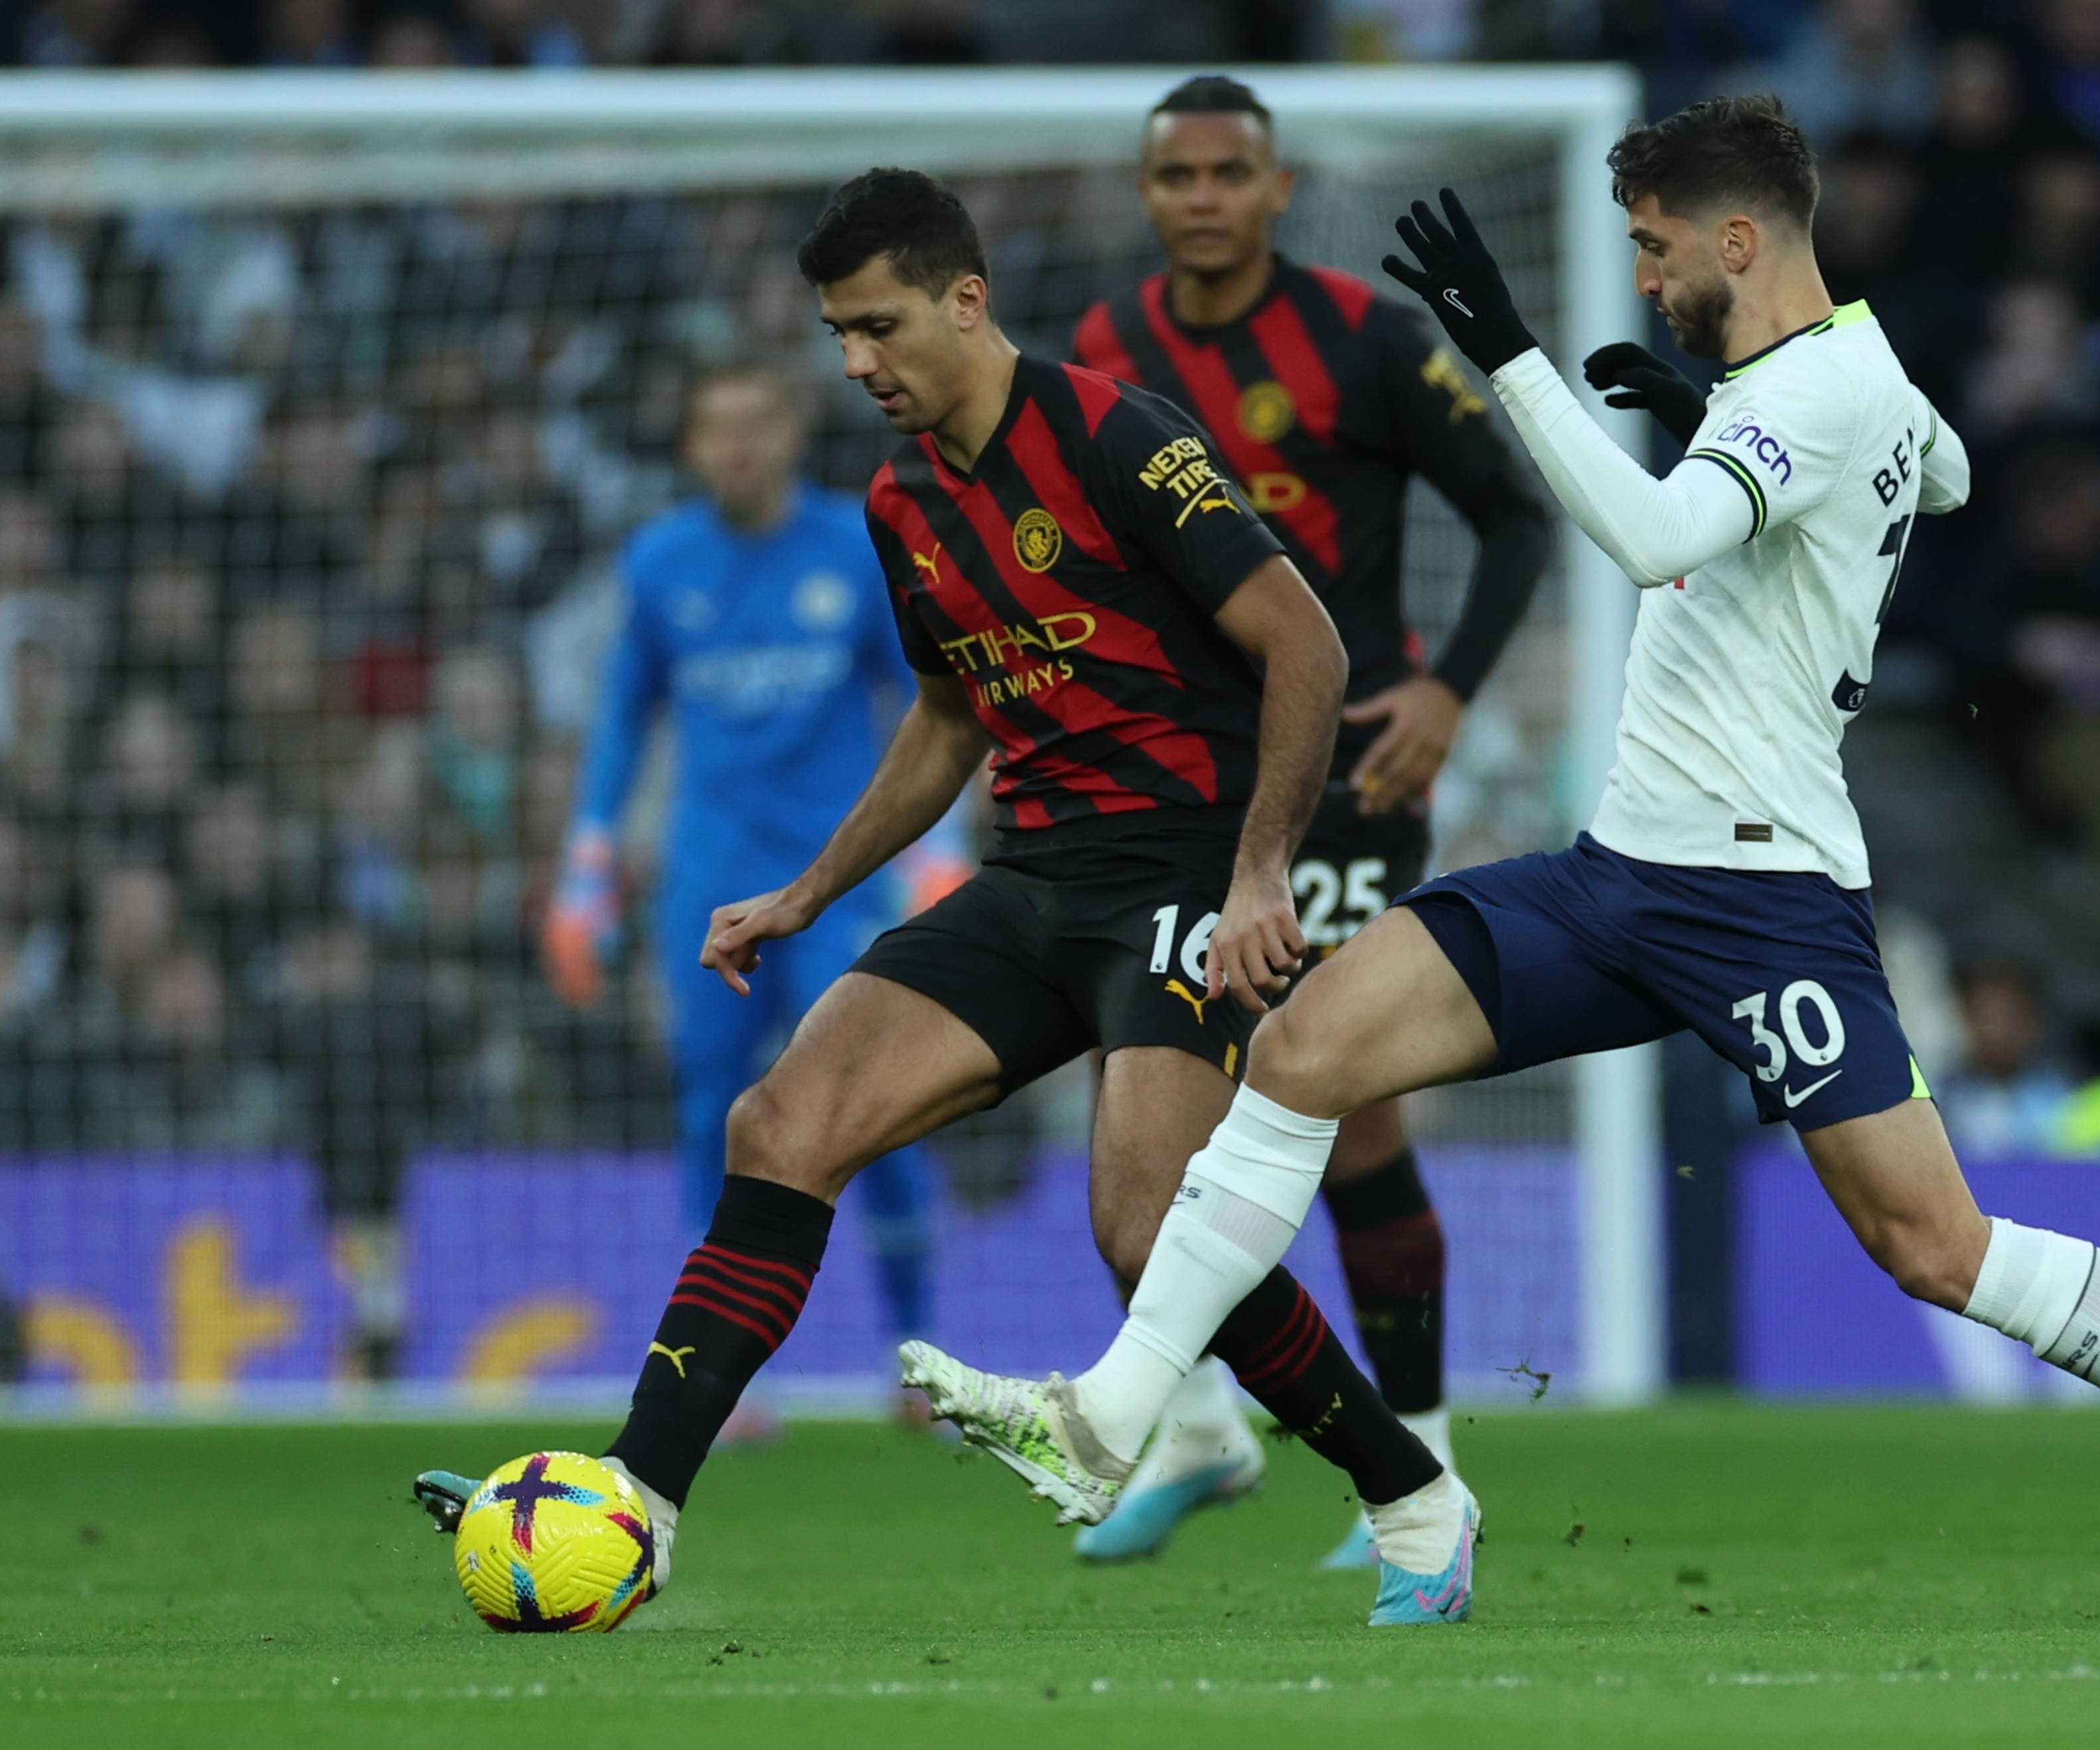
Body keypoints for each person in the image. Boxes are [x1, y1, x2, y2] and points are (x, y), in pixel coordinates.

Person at [912, 96, 2100, 1629]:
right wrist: (1716, 392)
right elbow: (1945, 472)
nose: (1638, 271)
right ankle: (1116, 1416)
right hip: (1618, 874)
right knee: (1298, 1053)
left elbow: (1645, 536)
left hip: (1763, 899)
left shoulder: (1820, 392)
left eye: (1651, 245)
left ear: (1738, 238)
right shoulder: (1857, 375)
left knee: (1932, 1243)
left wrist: (1514, 356)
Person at [413, 167, 1454, 1628]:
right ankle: (637, 1503)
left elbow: (1310, 646)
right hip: (1033, 876)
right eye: (839, 333)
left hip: (1178, 874)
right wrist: (805, 889)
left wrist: (1261, 869)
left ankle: (1413, 1494)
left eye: (880, 326)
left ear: (967, 299)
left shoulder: (1115, 435)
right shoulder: (899, 501)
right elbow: (948, 719)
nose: (857, 362)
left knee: (1148, 1227)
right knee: (777, 1125)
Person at [1064, 73, 1552, 1569]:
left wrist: (1449, 692)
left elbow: (1514, 509)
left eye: (1229, 172)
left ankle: (1425, 1458)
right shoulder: (1103, 352)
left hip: (1343, 778)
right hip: (1167, 786)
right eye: (1175, 175)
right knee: (1145, 1108)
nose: (1202, 196)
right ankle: (1206, 1432)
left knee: (1334, 1106)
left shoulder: (1364, 336)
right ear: (1146, 195)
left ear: (1276, 190)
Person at [539, 364, 950, 1407]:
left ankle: (914, 1353)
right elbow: (625, 720)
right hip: (708, 888)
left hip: (836, 886)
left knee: (876, 1109)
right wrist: (588, 864)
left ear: (790, 431)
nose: (735, 444)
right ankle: (715, 1378)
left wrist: (939, 852)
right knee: (709, 1115)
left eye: (753, 421)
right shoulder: (661, 560)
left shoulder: (856, 546)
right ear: (688, 445)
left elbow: (925, 699)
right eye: (713, 425)